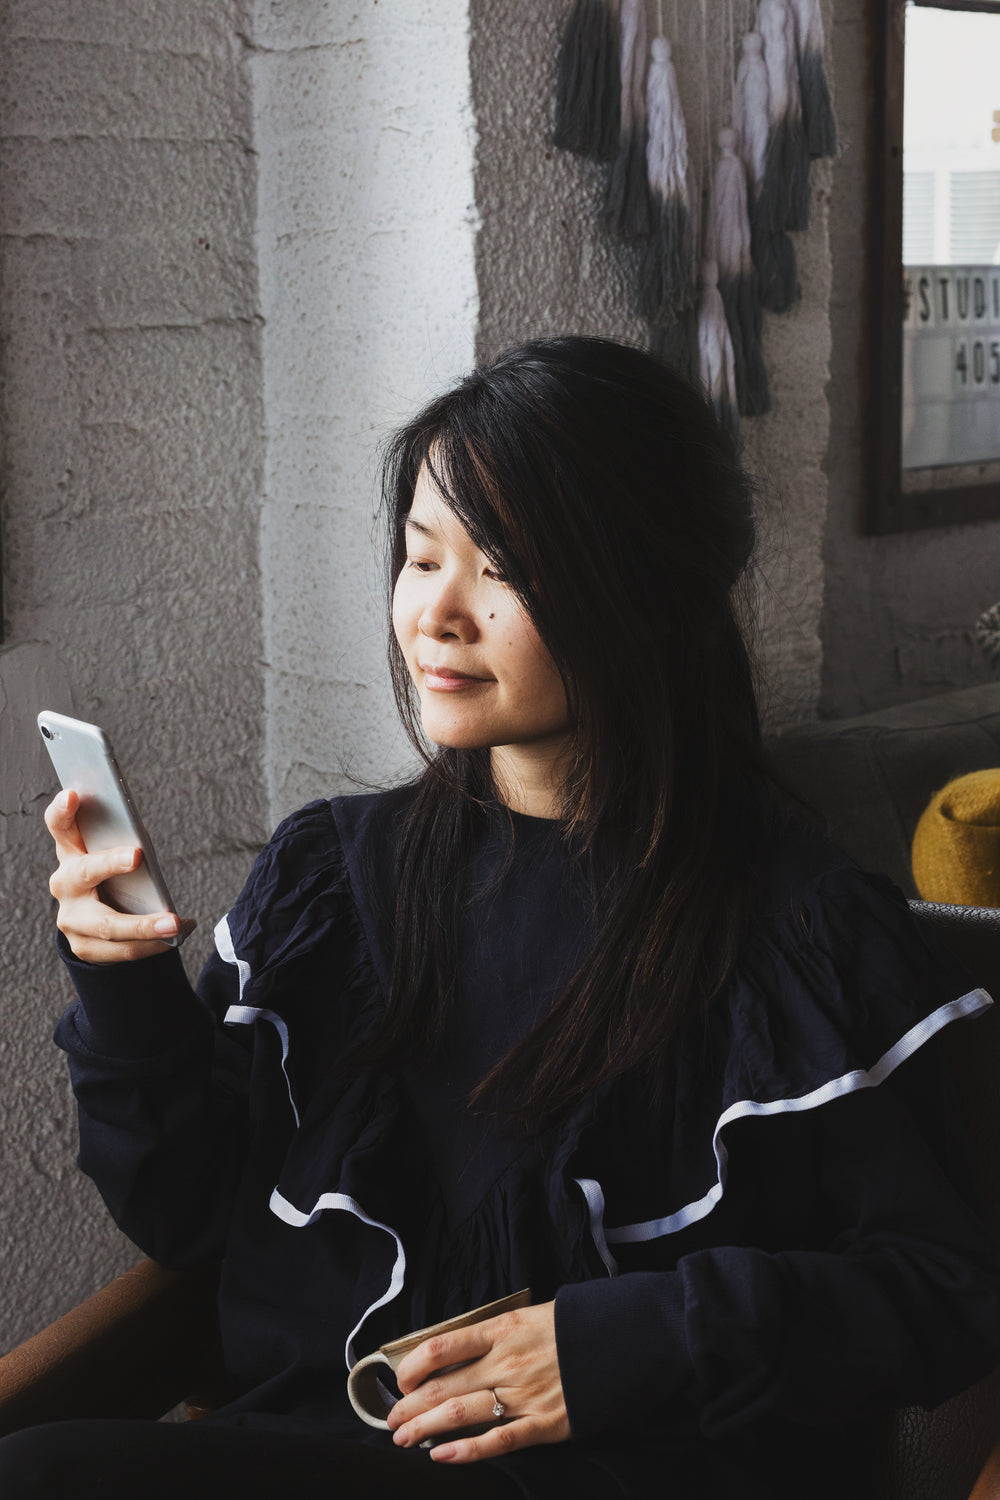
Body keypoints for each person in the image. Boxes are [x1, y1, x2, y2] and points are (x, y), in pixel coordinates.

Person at [7, 337, 1000, 1499]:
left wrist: (611, 1347)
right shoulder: (329, 878)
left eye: (503, 570)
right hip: (322, 1452)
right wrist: (123, 983)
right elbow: (182, 1216)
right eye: (422, 558)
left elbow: (945, 1292)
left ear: (643, 594)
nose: (437, 614)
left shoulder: (802, 932)